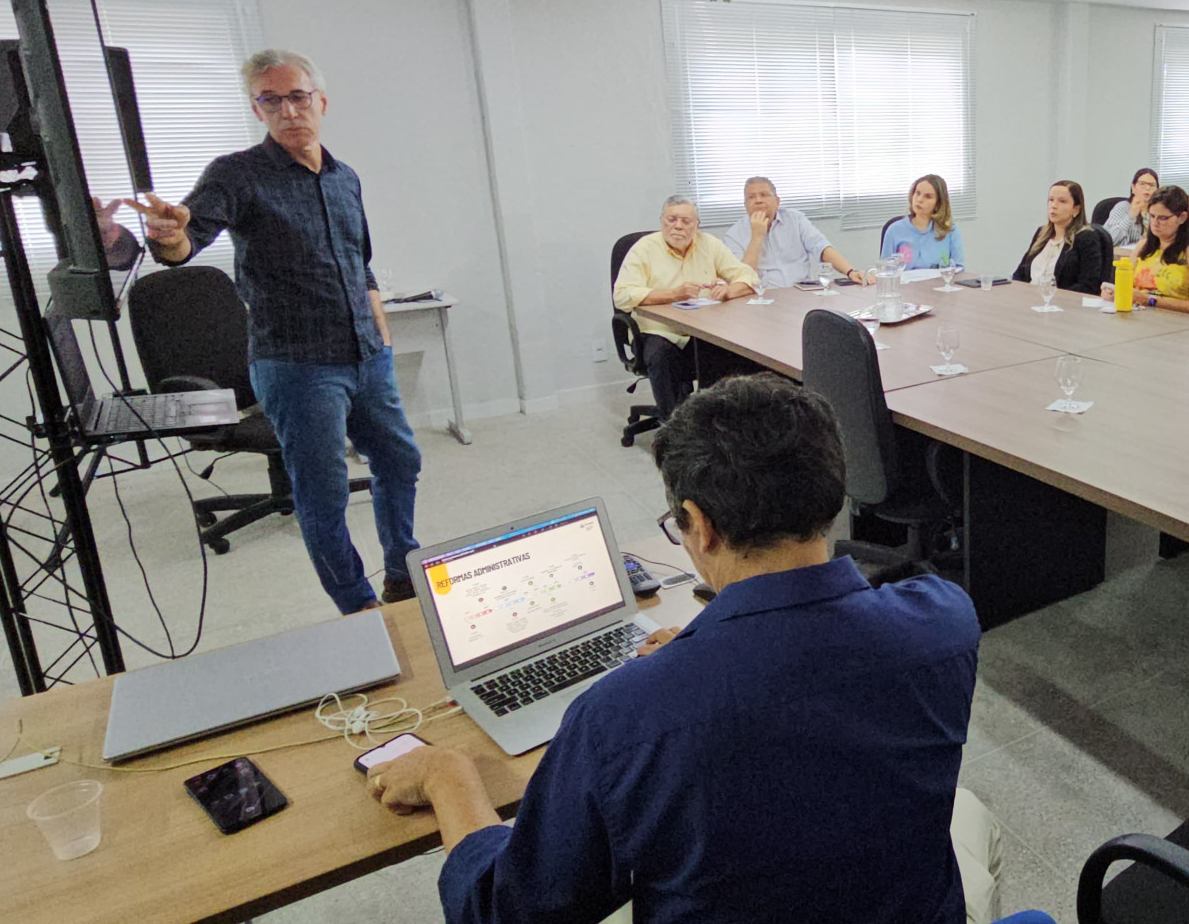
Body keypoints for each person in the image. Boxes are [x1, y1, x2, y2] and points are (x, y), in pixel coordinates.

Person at [366, 373, 982, 924]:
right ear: (831, 493)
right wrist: (699, 653)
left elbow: (505, 912)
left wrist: (448, 777)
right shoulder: (946, 623)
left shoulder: (623, 717)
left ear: (700, 523)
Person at [125, 49, 422, 613]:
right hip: (297, 364)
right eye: (271, 99)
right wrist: (169, 235)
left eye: (297, 96)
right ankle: (357, 606)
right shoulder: (236, 174)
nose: (287, 110)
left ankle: (403, 573)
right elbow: (189, 238)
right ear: (257, 109)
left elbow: (360, 264)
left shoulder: (343, 178)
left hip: (365, 354)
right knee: (324, 491)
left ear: (321, 101)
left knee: (400, 461)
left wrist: (380, 334)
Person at [612, 197, 757, 418]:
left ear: (696, 225)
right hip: (659, 331)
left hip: (703, 330)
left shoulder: (710, 244)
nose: (678, 226)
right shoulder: (644, 249)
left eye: (686, 221)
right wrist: (671, 294)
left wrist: (730, 290)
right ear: (662, 221)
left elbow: (748, 276)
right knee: (661, 357)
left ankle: (716, 423)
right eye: (671, 219)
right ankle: (673, 431)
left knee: (732, 352)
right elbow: (621, 296)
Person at [720, 176, 871, 289]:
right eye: (751, 197)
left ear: (777, 201)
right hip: (762, 297)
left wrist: (850, 272)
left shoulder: (795, 219)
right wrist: (757, 237)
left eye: (764, 195)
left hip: (802, 292)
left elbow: (822, 248)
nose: (758, 200)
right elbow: (742, 277)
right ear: (745, 205)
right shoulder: (733, 235)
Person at [1100, 186, 1189, 316]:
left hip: (1177, 322)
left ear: (1181, 218)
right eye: (1152, 216)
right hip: (1139, 316)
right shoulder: (1143, 246)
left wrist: (1150, 300)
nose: (1155, 223)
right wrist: (1114, 293)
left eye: (1163, 218)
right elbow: (1125, 288)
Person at [1012, 180, 1109, 294]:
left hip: (1062, 305)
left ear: (1076, 209)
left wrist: (1052, 295)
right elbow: (1020, 274)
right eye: (1051, 200)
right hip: (1029, 300)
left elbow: (1088, 285)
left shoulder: (1086, 238)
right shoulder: (1041, 233)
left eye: (1062, 201)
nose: (1054, 205)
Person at [881, 174, 966, 269]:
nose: (919, 199)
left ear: (938, 204)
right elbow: (885, 271)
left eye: (928, 196)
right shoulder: (894, 230)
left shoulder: (950, 230)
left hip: (939, 283)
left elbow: (959, 269)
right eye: (917, 193)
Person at [1102, 167, 1159, 250]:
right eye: (1142, 184)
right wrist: (1130, 216)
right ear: (1133, 188)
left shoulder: (1160, 211)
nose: (1147, 188)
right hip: (1122, 258)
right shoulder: (1122, 207)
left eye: (1152, 185)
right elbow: (1110, 240)